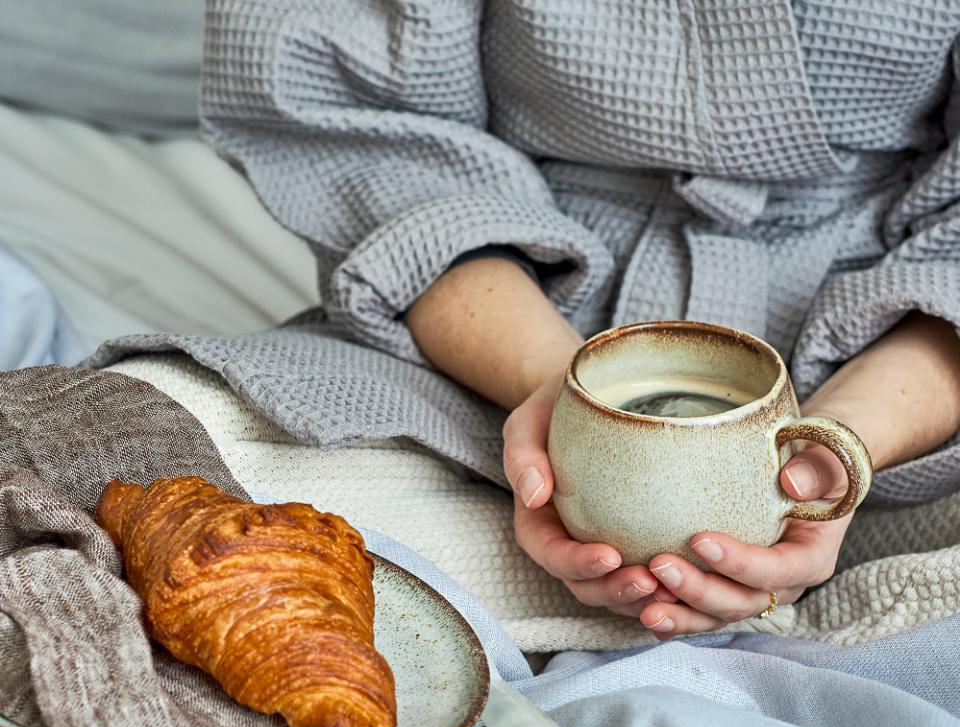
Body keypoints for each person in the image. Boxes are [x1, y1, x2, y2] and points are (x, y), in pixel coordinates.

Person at [202, 0, 960, 638]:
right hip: (500, 316)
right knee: (191, 494)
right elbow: (373, 135)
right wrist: (559, 396)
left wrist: (844, 447)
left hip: (896, 357)